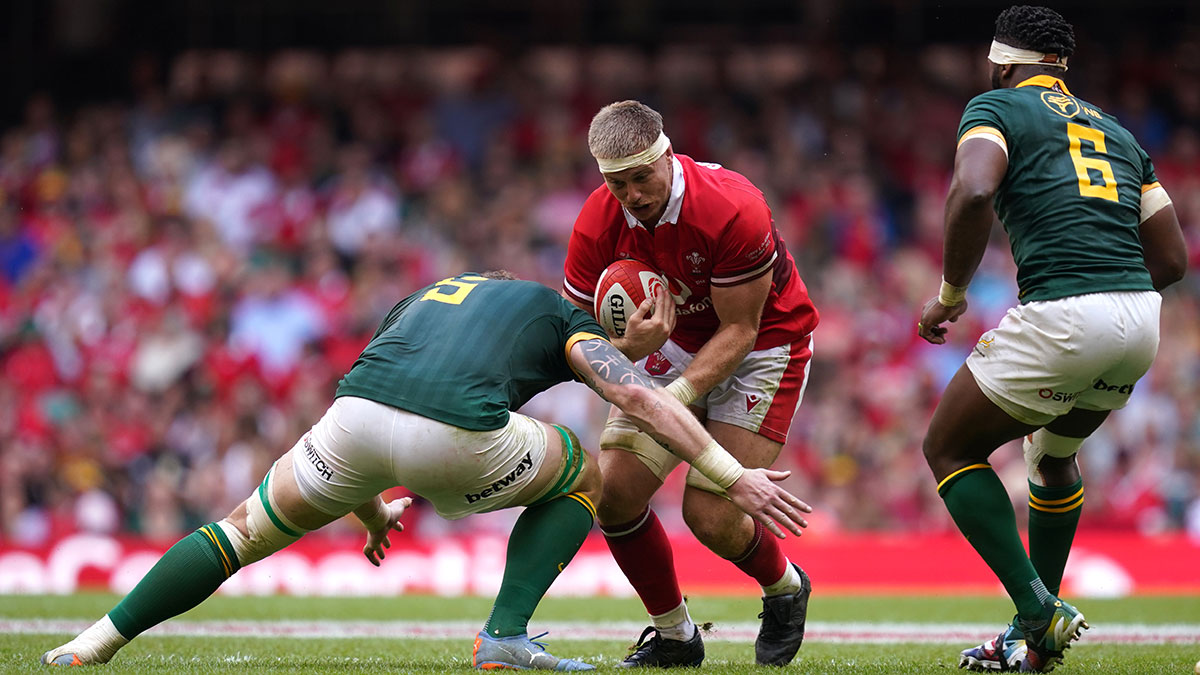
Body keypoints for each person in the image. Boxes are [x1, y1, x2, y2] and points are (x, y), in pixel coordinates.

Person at [41, 272, 812, 671]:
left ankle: (96, 642)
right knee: (586, 472)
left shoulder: (427, 296)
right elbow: (633, 394)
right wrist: (722, 468)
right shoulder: (557, 312)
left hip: (351, 424)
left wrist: (370, 507)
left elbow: (384, 392)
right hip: (455, 439)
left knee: (236, 532)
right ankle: (504, 635)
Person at [917, 6, 1187, 672]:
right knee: (1052, 456)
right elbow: (1174, 259)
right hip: (1139, 322)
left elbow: (974, 190)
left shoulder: (996, 107)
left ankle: (1038, 612)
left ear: (1001, 62)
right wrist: (1112, 293)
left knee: (948, 447)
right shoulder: (1117, 132)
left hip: (1066, 313)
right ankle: (1035, 649)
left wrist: (951, 295)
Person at [562, 101, 820, 667]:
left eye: (640, 178)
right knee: (614, 494)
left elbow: (741, 329)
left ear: (667, 156)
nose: (630, 194)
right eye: (615, 183)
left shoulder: (732, 207)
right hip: (663, 349)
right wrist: (631, 351)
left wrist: (669, 403)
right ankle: (675, 635)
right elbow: (579, 340)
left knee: (711, 516)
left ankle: (785, 588)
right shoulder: (595, 221)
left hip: (763, 347)